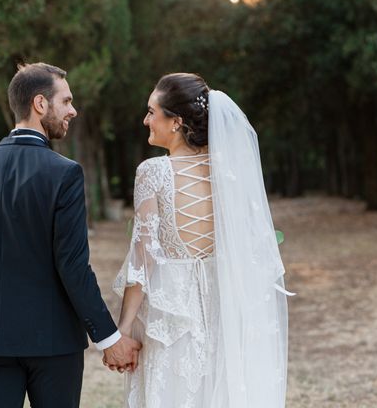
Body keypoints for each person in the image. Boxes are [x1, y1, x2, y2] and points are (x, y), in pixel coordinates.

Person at [0, 62, 140, 408]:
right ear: (40, 104)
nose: (73, 110)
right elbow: (72, 265)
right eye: (65, 101)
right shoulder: (64, 174)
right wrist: (109, 337)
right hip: (53, 344)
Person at [113, 73, 293, 408]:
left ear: (176, 122)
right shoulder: (229, 171)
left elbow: (144, 258)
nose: (145, 120)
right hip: (225, 308)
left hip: (172, 315)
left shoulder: (153, 173)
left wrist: (122, 330)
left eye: (152, 112)